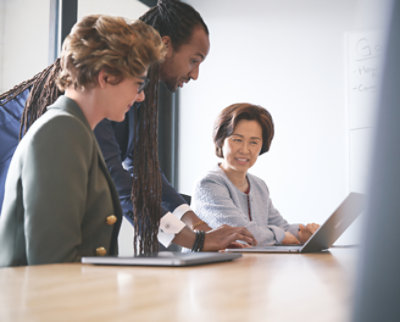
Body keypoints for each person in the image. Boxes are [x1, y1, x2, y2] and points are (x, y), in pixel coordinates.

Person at [0, 0, 256, 254]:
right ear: (106, 77)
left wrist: (196, 224)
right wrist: (195, 240)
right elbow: (116, 180)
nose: (196, 74)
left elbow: (146, 172)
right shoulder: (69, 121)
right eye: (193, 60)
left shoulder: (124, 99)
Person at [0, 14, 166, 266]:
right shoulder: (60, 133)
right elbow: (53, 265)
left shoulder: (74, 130)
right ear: (106, 76)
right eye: (138, 84)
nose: (140, 97)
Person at [191, 103, 320, 246]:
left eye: (254, 142)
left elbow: (280, 226)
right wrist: (281, 235)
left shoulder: (259, 185)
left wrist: (303, 232)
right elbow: (242, 234)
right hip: (212, 267)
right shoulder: (208, 184)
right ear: (221, 140)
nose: (245, 150)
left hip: (248, 264)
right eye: (237, 140)